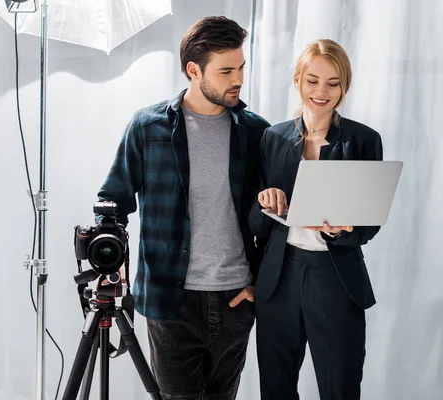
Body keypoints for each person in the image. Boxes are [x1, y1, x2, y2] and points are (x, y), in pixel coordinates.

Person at [97, 16, 270, 400]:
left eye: (241, 67)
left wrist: (262, 280)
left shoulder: (257, 132)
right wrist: (114, 263)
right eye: (226, 70)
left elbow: (274, 218)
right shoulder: (147, 127)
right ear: (194, 70)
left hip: (236, 298)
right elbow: (113, 200)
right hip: (169, 300)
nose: (238, 79)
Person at [249, 39, 383, 400]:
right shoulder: (272, 137)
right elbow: (254, 223)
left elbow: (369, 225)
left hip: (335, 279)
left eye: (333, 83)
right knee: (275, 389)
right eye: (312, 80)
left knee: (339, 388)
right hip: (279, 278)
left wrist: (345, 229)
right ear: (297, 81)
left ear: (344, 86)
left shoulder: (364, 141)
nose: (321, 91)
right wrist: (266, 204)